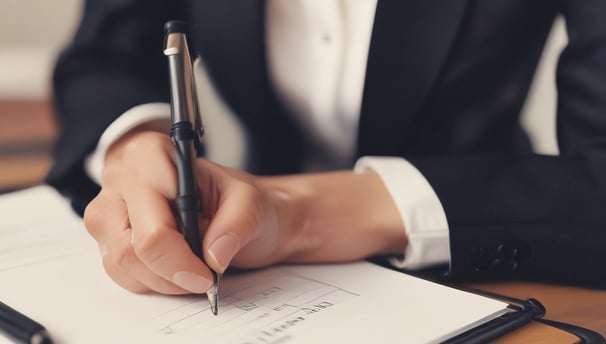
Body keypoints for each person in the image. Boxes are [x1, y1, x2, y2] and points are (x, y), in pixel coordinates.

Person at [48, 1, 606, 295]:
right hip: (254, 259)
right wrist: (134, 148)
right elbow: (107, 56)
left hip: (490, 236)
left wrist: (296, 213)